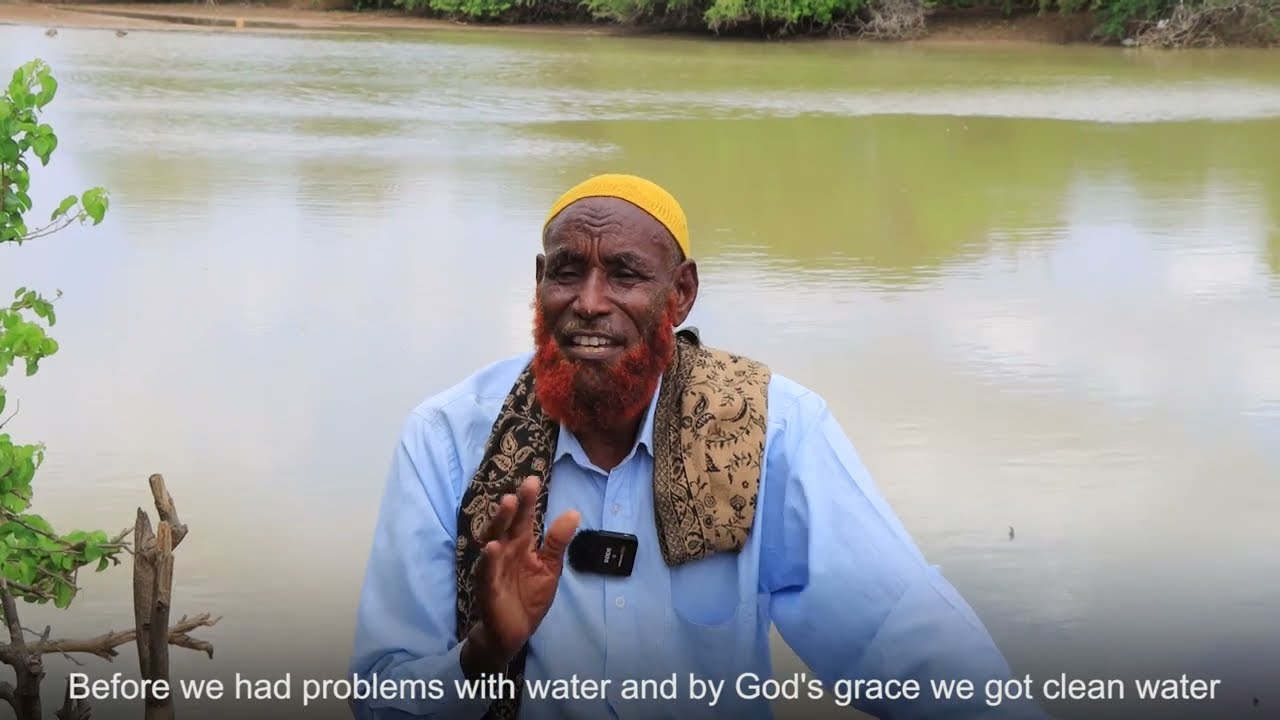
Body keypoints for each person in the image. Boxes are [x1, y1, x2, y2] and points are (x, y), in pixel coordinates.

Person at [348, 174, 1050, 720]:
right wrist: (483, 653)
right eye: (567, 271)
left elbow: (902, 635)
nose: (589, 301)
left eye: (625, 274)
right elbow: (381, 699)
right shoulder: (448, 441)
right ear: (539, 283)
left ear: (680, 293)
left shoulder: (769, 428)